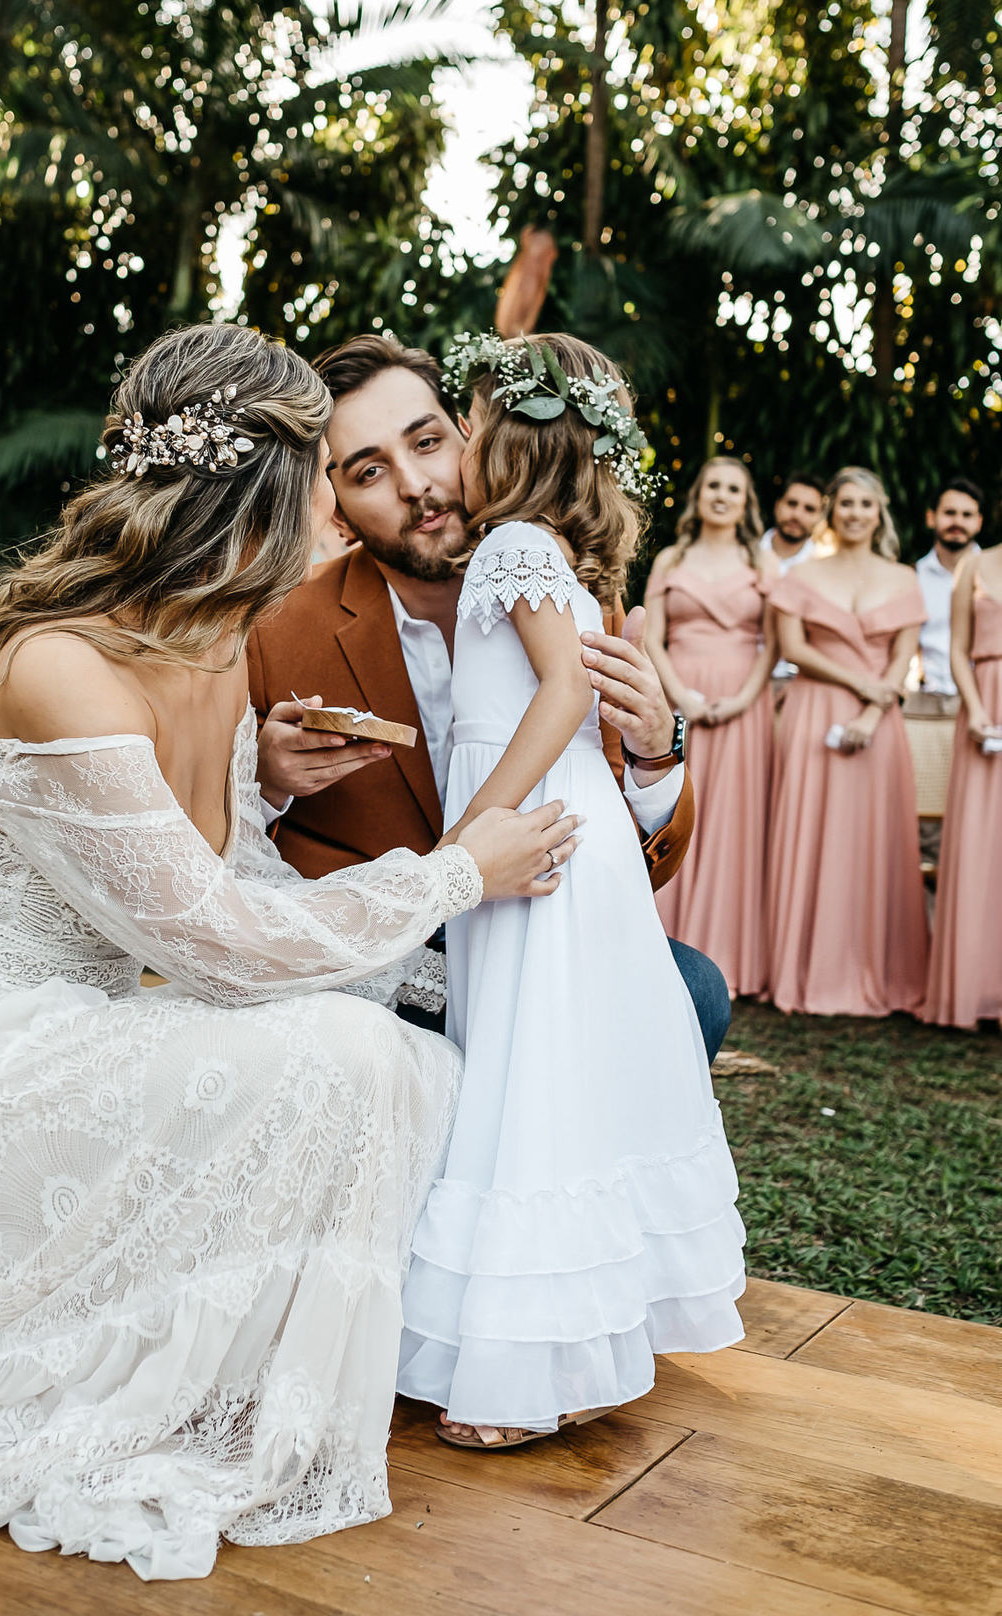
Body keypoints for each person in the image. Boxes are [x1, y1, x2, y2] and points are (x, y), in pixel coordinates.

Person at [0, 323, 581, 1581]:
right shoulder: (59, 666)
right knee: (342, 1056)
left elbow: (234, 884)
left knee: (403, 1045)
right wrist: (455, 872)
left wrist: (295, 823)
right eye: (327, 483)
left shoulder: (216, 648)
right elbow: (217, 945)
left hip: (82, 1037)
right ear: (270, 495)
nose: (337, 513)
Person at [392, 332, 744, 1450]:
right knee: (562, 1085)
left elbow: (555, 697)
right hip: (569, 838)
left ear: (513, 437)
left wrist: (472, 826)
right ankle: (582, 1346)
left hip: (534, 838)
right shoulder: (563, 563)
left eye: (471, 420)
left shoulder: (510, 548)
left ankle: (527, 1362)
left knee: (527, 1082)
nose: (458, 444)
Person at [247, 333, 732, 1062]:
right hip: (388, 947)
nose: (415, 484)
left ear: (472, 438)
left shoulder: (569, 594)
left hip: (541, 924)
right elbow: (215, 847)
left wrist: (656, 753)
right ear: (337, 509)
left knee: (694, 989)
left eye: (427, 440)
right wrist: (269, 782)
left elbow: (640, 860)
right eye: (370, 470)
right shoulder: (279, 627)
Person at [766, 467, 929, 1016]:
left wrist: (872, 711)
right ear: (832, 512)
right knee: (814, 834)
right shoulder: (804, 576)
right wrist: (860, 685)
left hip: (880, 723)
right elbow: (793, 645)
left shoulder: (905, 577)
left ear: (879, 511)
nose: (856, 513)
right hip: (816, 711)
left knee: (873, 840)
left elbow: (904, 657)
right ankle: (807, 968)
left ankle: (879, 968)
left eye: (866, 504)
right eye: (846, 504)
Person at [645, 458, 777, 997]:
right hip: (683, 694)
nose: (722, 496)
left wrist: (744, 698)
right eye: (714, 486)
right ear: (699, 495)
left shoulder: (761, 561)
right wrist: (681, 696)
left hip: (744, 702)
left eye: (734, 490)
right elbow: (652, 636)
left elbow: (775, 642)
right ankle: (667, 942)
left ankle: (734, 953)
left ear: (746, 503)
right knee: (678, 811)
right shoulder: (672, 558)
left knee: (735, 820)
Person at [923, 538, 1002, 1028]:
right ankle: (974, 988)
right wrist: (975, 710)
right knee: (979, 847)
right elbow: (957, 647)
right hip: (985, 713)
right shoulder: (975, 563)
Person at [914, 479, 984, 697]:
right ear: (930, 517)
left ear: (979, 522)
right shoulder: (912, 577)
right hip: (926, 700)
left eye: (967, 515)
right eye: (950, 513)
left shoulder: (995, 576)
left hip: (987, 698)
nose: (958, 522)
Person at [760, 471, 825, 694]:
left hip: (798, 687)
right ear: (778, 506)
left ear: (820, 517)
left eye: (809, 509)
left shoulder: (823, 570)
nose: (797, 514)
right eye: (792, 503)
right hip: (739, 680)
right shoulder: (744, 556)